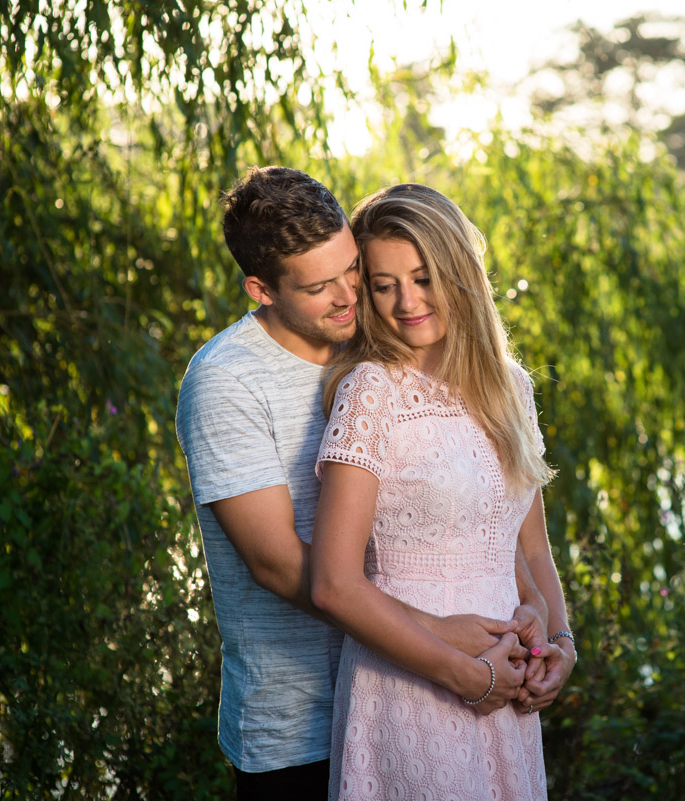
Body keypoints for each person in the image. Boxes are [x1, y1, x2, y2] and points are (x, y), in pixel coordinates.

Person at [176, 167, 552, 800]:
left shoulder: (382, 350)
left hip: (439, 689)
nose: (350, 296)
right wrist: (439, 634)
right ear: (262, 290)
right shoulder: (227, 380)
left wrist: (545, 628)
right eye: (321, 286)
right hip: (299, 722)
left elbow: (479, 512)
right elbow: (275, 564)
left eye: (353, 270)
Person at [311, 183, 576, 801]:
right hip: (409, 685)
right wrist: (462, 673)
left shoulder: (511, 389)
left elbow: (532, 549)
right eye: (384, 283)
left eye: (424, 277)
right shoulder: (371, 392)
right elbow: (333, 584)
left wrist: (559, 643)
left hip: (507, 691)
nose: (407, 301)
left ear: (460, 273)